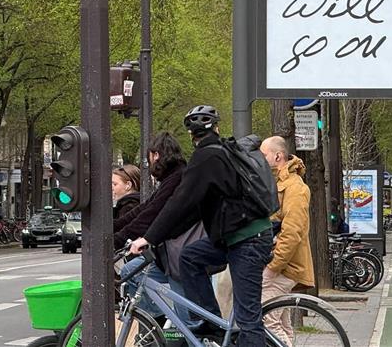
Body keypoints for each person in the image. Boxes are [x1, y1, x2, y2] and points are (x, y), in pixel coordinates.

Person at [130, 105, 273, 346]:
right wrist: (158, 235)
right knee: (190, 256)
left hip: (248, 240)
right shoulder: (220, 152)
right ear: (216, 128)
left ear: (191, 136)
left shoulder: (206, 156)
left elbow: (180, 202)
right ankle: (210, 322)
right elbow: (190, 209)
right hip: (233, 238)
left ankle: (214, 324)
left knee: (249, 319)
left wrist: (149, 238)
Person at [115, 132, 196, 326]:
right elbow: (146, 208)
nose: (149, 163)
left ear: (157, 155)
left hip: (179, 255)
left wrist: (119, 237)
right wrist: (113, 228)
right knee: (130, 271)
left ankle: (180, 332)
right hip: (168, 254)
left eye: (149, 158)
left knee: (188, 321)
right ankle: (157, 324)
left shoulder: (178, 178)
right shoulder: (171, 178)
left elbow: (151, 214)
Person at [259, 136, 313, 347]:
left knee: (266, 319)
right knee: (280, 321)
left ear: (278, 156)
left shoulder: (295, 188)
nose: (260, 160)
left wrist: (273, 267)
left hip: (285, 267)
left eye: (264, 155)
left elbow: (292, 232)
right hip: (283, 265)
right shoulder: (282, 184)